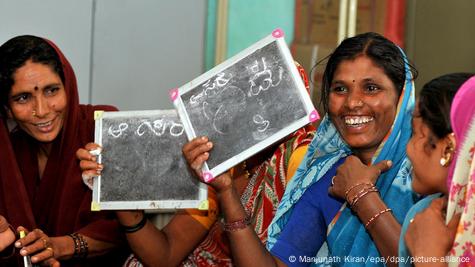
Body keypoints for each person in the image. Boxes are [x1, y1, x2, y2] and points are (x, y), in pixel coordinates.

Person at [183, 32, 418, 267]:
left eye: (371, 88)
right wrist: (226, 191)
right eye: (340, 89)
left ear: (401, 97)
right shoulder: (330, 177)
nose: (352, 103)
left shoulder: (424, 174)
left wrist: (361, 194)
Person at [77, 63, 316, 266]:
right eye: (243, 96)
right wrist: (120, 189)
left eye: (269, 95)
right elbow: (166, 254)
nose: (254, 108)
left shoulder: (302, 160)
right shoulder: (226, 162)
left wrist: (227, 192)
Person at [0, 35, 127, 266]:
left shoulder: (102, 128)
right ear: (7, 109)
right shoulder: (8, 152)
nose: (42, 110)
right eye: (23, 97)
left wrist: (59, 246)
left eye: (51, 91)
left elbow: (125, 228)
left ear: (67, 86)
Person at [402, 74, 475, 266]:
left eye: (416, 133)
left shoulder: (426, 229)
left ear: (448, 148)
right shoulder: (427, 215)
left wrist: (428, 256)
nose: (408, 149)